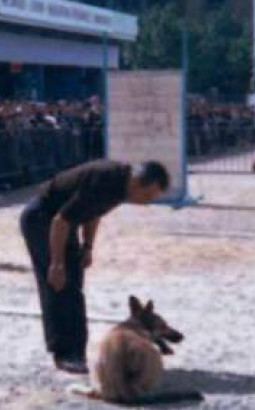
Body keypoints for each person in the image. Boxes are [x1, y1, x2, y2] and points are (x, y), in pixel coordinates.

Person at [19, 159, 170, 375]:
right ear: (138, 183)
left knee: (75, 287)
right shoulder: (105, 180)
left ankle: (76, 352)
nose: (147, 203)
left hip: (63, 224)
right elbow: (60, 221)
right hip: (42, 220)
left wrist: (88, 245)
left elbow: (93, 212)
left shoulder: (121, 185)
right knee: (58, 285)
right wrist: (57, 264)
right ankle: (63, 353)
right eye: (148, 196)